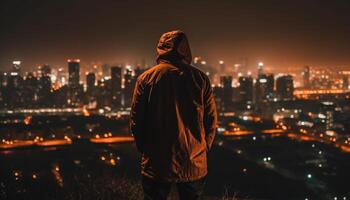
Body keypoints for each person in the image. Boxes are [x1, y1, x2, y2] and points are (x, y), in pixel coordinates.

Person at [130, 30, 217, 200]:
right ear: (186, 49)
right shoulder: (200, 79)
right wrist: (203, 147)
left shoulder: (146, 79)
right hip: (193, 161)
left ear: (161, 48)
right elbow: (211, 120)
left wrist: (146, 149)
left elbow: (136, 121)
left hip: (156, 161)